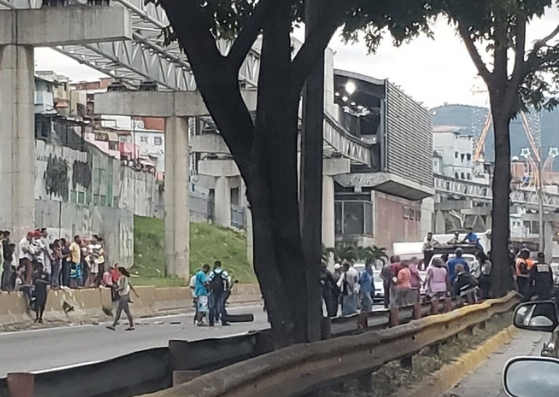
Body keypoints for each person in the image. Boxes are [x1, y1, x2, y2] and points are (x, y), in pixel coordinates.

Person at [106, 267, 139, 331]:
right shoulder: (126, 277)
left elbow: (122, 287)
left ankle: (130, 325)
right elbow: (129, 286)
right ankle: (114, 325)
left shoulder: (122, 278)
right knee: (120, 311)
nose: (117, 272)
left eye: (118, 271)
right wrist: (135, 293)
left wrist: (116, 289)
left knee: (125, 311)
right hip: (125, 296)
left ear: (120, 272)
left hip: (123, 296)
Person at [207, 261, 230, 327]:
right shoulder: (224, 272)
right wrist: (227, 290)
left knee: (212, 307)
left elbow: (208, 280)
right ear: (220, 265)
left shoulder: (212, 273)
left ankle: (211, 322)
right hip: (222, 291)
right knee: (221, 306)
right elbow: (228, 280)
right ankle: (224, 321)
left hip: (213, 291)